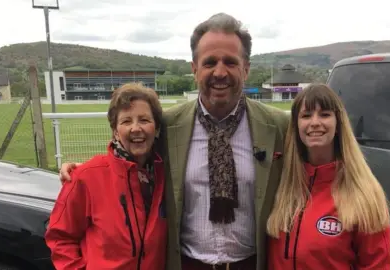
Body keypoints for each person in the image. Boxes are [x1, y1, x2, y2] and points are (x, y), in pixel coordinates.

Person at [57, 13, 289, 270]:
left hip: (252, 263)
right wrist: (82, 172)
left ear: (245, 67)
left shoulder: (278, 126)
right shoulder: (168, 126)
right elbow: (131, 159)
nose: (220, 72)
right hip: (186, 263)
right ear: (194, 69)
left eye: (230, 62)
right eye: (210, 62)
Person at [266, 83, 390, 270]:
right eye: (306, 115)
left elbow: (377, 265)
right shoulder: (280, 183)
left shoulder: (364, 194)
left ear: (338, 123)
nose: (314, 122)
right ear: (296, 125)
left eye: (324, 114)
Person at [46, 83, 168, 270]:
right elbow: (60, 238)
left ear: (157, 128)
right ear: (115, 131)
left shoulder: (167, 175)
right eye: (126, 121)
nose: (136, 128)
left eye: (144, 120)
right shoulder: (86, 177)